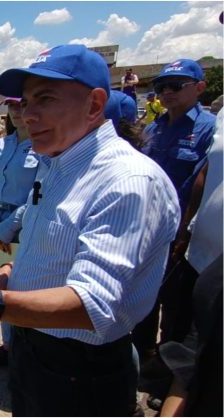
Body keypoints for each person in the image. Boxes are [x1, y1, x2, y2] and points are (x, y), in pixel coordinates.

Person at [0, 44, 180, 416]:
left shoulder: (126, 182)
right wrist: (9, 274)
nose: (28, 115)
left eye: (45, 99)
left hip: (81, 370)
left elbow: (93, 305)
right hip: (33, 347)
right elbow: (53, 249)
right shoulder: (58, 165)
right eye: (25, 102)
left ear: (95, 105)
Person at [133, 58, 216, 363]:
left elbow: (204, 185)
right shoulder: (155, 127)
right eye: (161, 86)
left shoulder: (210, 131)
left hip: (183, 235)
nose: (167, 92)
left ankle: (168, 372)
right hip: (147, 230)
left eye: (176, 86)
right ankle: (142, 358)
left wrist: (184, 234)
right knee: (144, 299)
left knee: (176, 307)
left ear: (199, 88)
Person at [160, 110, 223, 417]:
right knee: (179, 323)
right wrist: (187, 227)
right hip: (198, 254)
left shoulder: (206, 124)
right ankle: (157, 375)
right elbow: (205, 174)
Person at [0, 97, 38, 369]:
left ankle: (30, 348)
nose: (16, 112)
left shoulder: (42, 148)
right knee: (1, 290)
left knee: (27, 289)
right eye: (11, 106)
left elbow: (36, 197)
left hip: (24, 225)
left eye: (21, 105)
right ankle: (8, 346)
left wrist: (4, 229)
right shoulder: (3, 144)